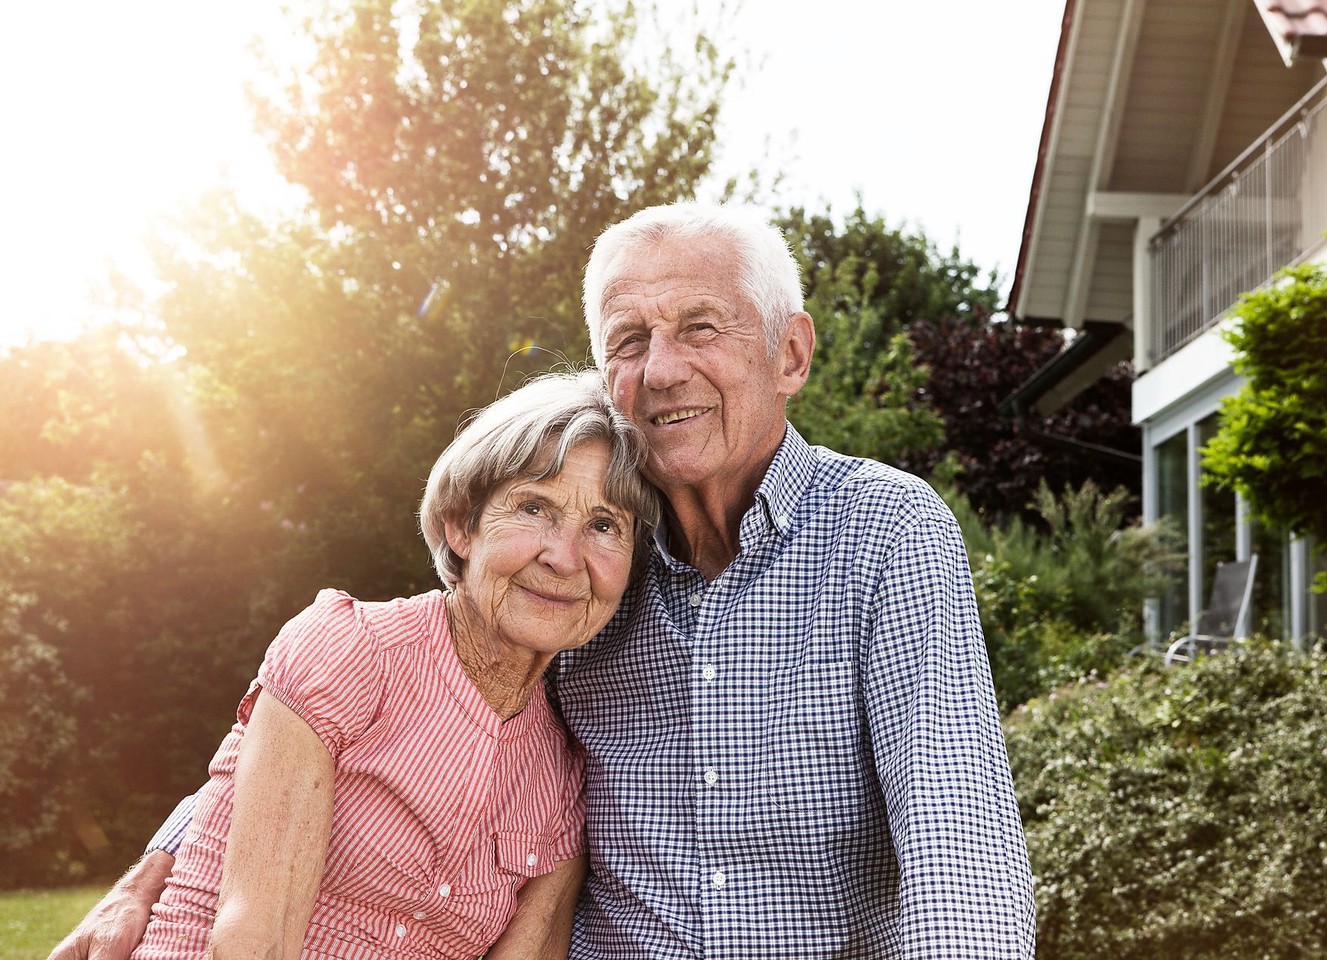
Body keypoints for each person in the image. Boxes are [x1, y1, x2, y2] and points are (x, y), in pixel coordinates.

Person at [52, 203, 1035, 959]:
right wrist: (159, 864)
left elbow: (957, 833)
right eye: (628, 341)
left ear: (790, 352)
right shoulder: (587, 569)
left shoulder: (884, 532)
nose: (662, 370)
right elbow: (342, 688)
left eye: (702, 327)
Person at [104, 370, 659, 960]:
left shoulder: (563, 776)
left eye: (604, 525)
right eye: (534, 508)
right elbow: (253, 943)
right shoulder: (349, 651)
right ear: (460, 527)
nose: (565, 558)